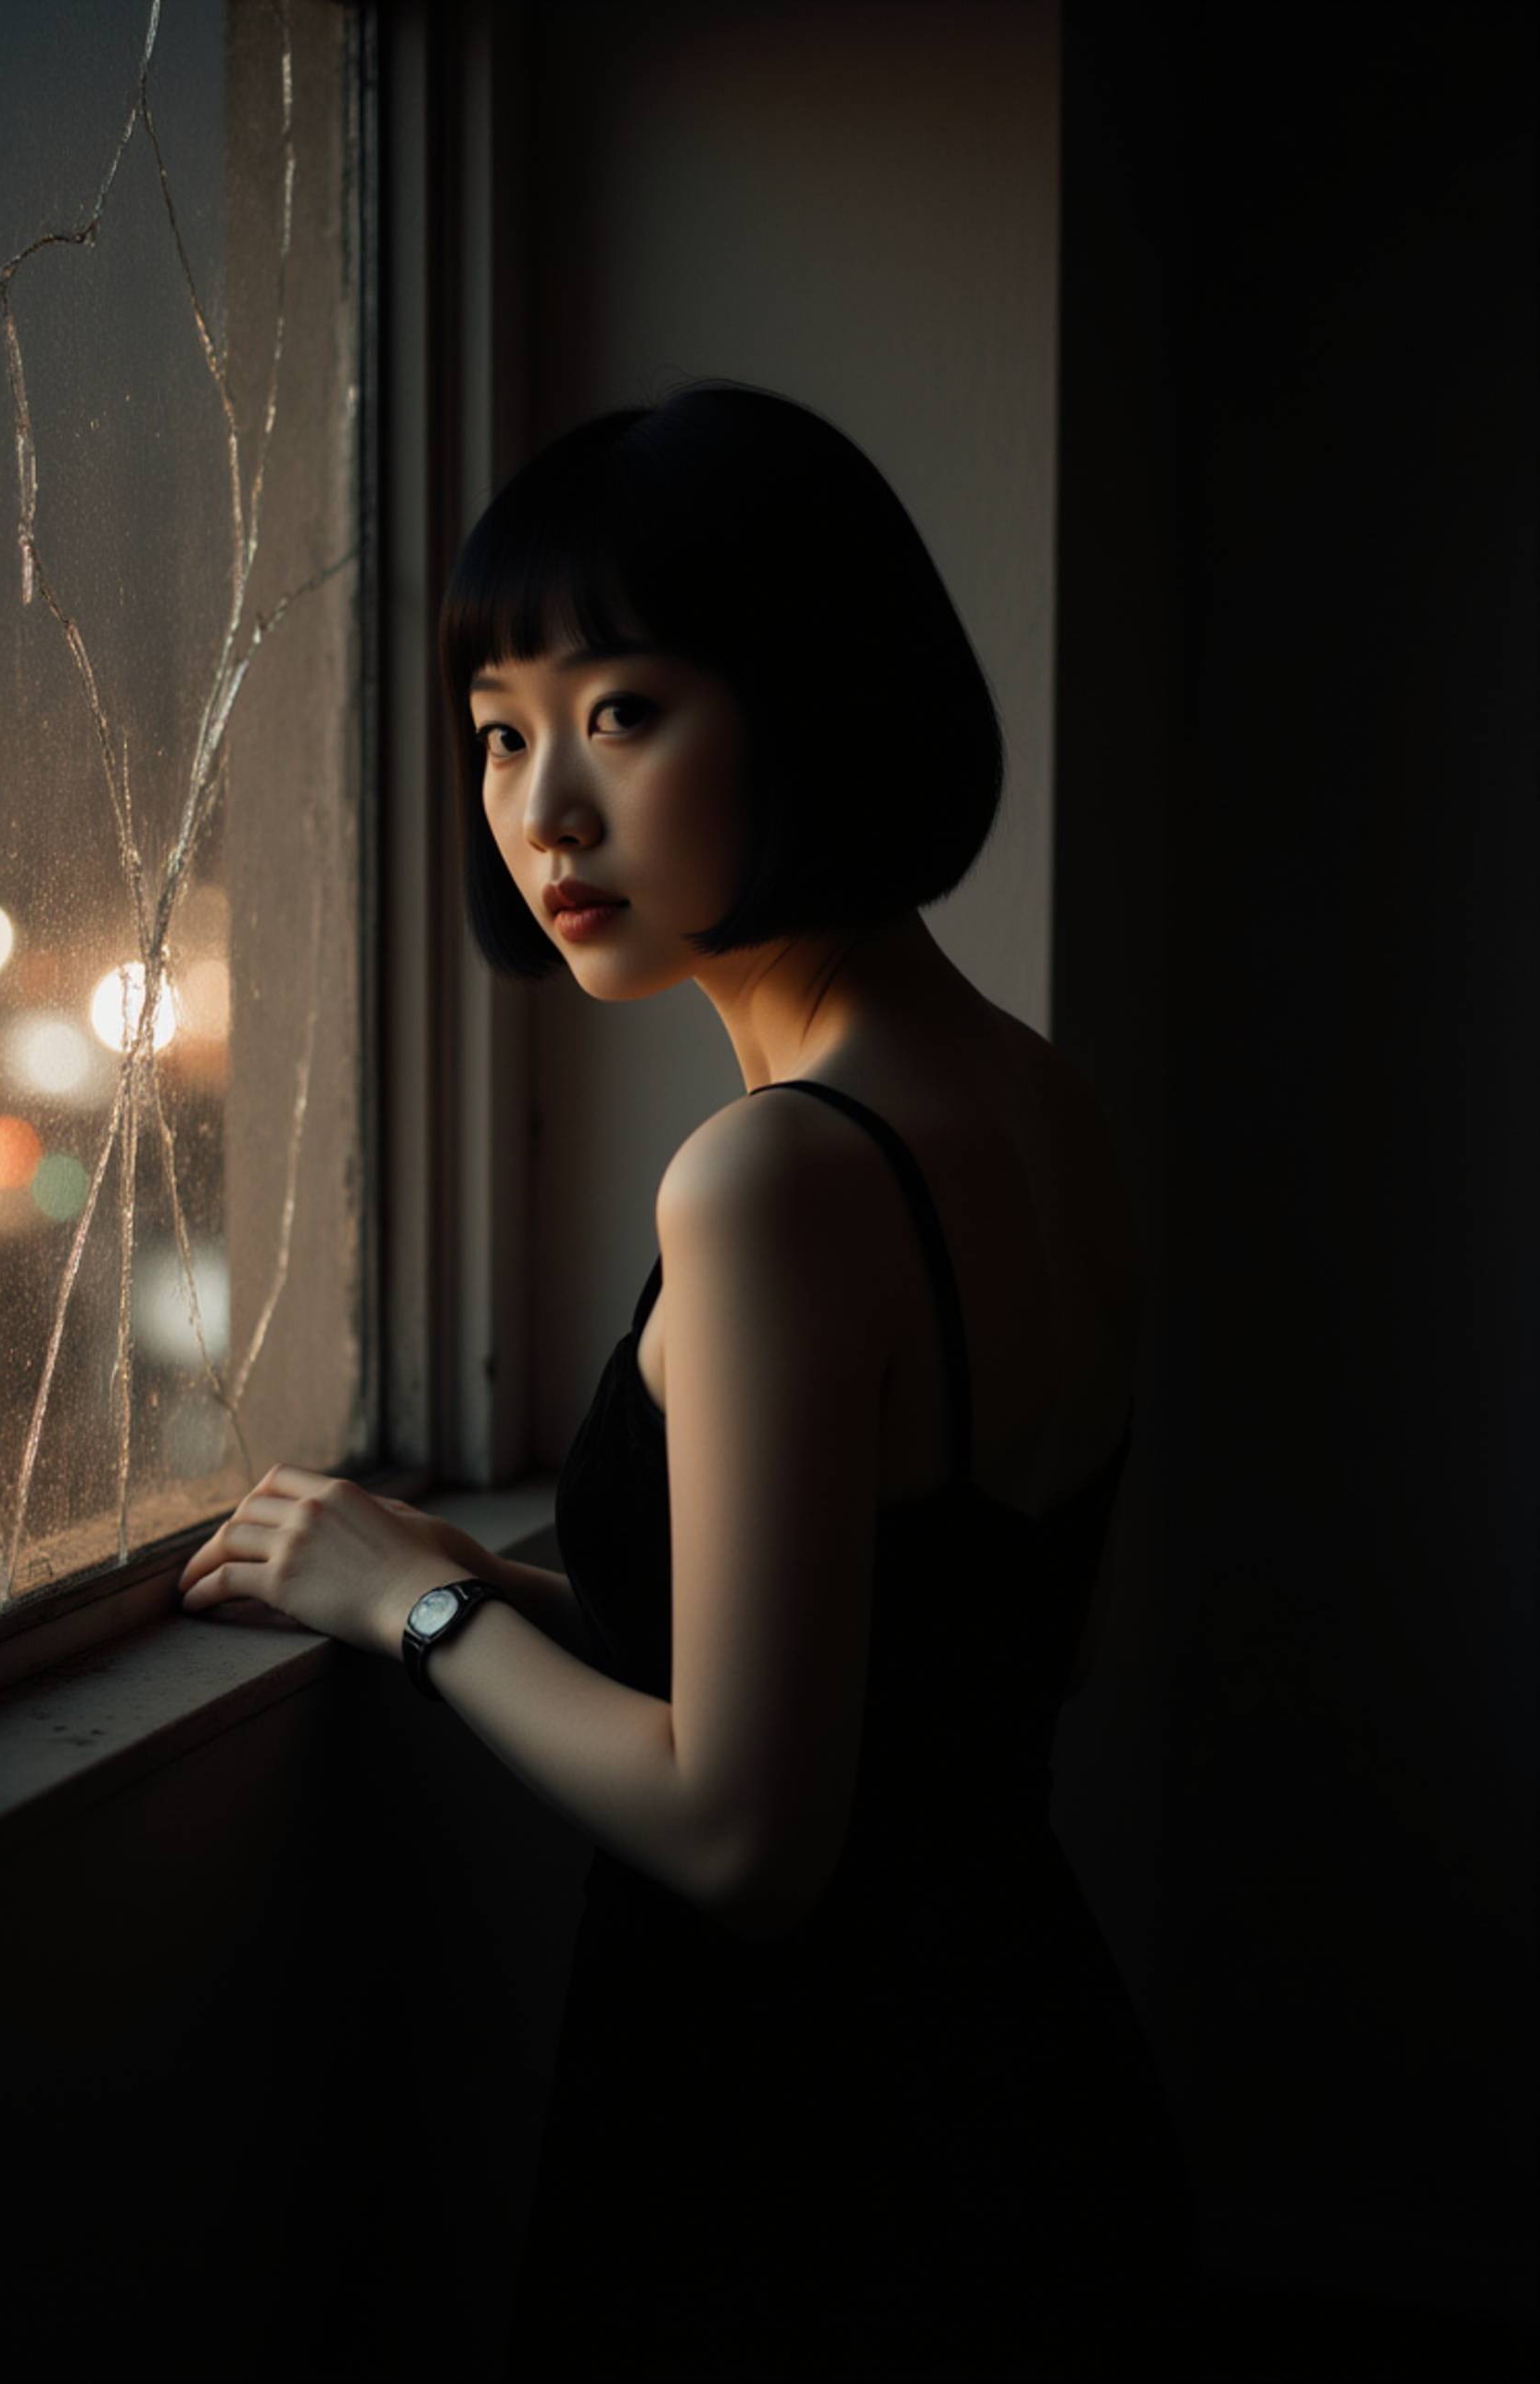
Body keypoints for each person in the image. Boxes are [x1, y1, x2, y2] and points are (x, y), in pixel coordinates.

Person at [180, 379, 1197, 2378]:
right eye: (498, 733)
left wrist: (417, 1600)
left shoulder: (772, 1178)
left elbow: (751, 1833)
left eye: (621, 712)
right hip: (1036, 2084)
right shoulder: (1037, 1097)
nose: (541, 808)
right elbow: (968, 1646)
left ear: (807, 698)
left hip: (817, 2170)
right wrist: (506, 1589)